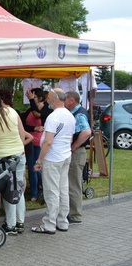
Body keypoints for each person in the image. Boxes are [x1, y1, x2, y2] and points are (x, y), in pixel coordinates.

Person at [0, 91, 32, 234]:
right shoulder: (12, 112)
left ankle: (10, 225)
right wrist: (20, 149)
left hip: (1, 157)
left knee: (8, 190)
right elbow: (22, 133)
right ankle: (20, 222)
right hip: (19, 154)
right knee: (18, 187)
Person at [32, 88, 75, 234]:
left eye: (49, 97)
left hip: (53, 157)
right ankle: (62, 221)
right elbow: (69, 138)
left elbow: (48, 142)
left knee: (52, 192)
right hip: (65, 155)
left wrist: (39, 160)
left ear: (56, 98)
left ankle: (49, 224)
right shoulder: (70, 115)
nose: (47, 100)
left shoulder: (53, 117)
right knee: (63, 190)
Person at [64, 90, 92, 225]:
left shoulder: (79, 113)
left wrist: (74, 146)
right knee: (73, 183)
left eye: (65, 99)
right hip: (77, 152)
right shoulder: (76, 112)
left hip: (77, 152)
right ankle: (72, 212)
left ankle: (75, 215)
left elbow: (86, 132)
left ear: (72, 100)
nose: (64, 102)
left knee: (73, 184)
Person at [22, 89, 47, 201]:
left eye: (34, 97)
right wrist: (34, 128)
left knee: (38, 168)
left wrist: (31, 100)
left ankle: (42, 189)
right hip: (29, 142)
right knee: (31, 169)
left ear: (40, 98)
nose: (31, 99)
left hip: (39, 142)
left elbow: (38, 115)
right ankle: (34, 193)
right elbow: (23, 126)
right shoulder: (29, 111)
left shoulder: (46, 110)